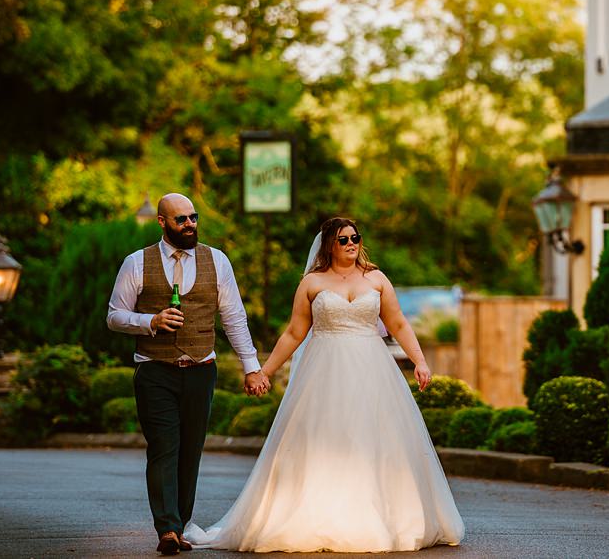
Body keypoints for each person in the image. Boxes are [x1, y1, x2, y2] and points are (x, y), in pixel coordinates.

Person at [185, 217, 465, 553]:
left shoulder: (376, 279)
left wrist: (419, 360)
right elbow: (294, 333)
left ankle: (384, 516)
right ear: (329, 245)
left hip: (372, 370)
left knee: (374, 439)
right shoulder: (312, 283)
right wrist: (265, 371)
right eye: (343, 239)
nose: (351, 244)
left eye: (355, 238)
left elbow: (398, 323)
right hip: (324, 370)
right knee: (324, 439)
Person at [107, 193, 270, 556]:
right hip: (155, 369)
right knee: (164, 448)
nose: (190, 224)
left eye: (193, 217)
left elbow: (234, 318)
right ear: (162, 222)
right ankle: (166, 528)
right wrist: (150, 321)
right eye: (181, 219)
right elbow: (114, 315)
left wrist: (251, 366)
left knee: (191, 451)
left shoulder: (217, 260)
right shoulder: (137, 263)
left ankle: (179, 524)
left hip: (201, 369)